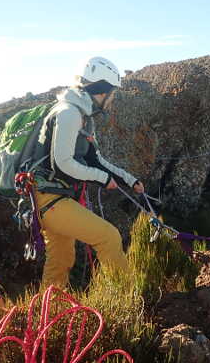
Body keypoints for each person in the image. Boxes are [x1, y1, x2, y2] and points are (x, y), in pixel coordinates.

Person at [33, 56, 144, 288]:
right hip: (52, 199)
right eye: (111, 93)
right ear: (101, 91)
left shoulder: (81, 115)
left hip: (50, 198)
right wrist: (103, 180)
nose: (112, 99)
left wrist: (129, 180)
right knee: (108, 237)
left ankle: (50, 311)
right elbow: (62, 163)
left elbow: (96, 160)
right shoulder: (69, 113)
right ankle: (130, 299)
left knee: (62, 258)